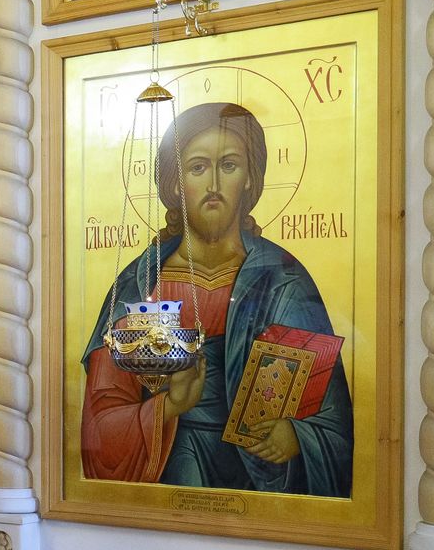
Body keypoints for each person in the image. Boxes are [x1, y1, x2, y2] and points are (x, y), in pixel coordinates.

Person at [80, 101, 351, 497]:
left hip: (262, 481)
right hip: (166, 474)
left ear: (248, 178)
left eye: (228, 165)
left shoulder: (284, 279)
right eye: (197, 167)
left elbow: (336, 421)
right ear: (175, 183)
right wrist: (170, 407)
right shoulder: (140, 284)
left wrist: (296, 436)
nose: (212, 185)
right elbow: (99, 427)